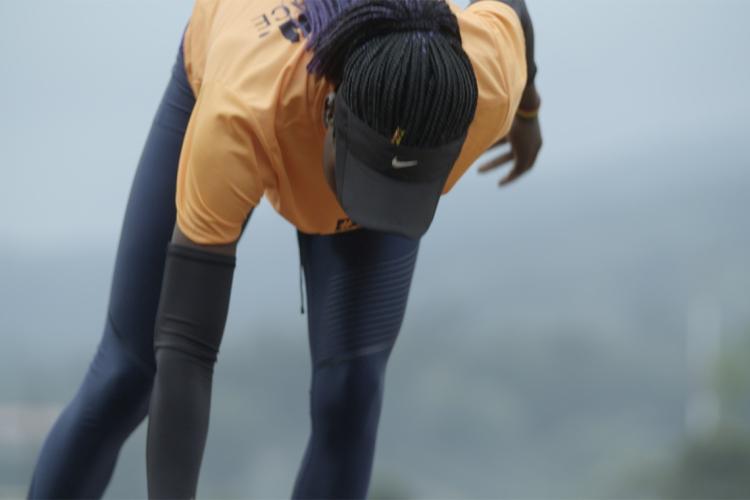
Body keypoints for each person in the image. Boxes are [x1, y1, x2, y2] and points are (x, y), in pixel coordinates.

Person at [26, 0, 542, 497]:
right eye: (366, 183)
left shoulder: (486, 82)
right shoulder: (241, 113)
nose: (366, 212)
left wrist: (527, 114)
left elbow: (511, 11)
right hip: (243, 67)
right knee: (129, 374)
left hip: (374, 109)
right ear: (335, 113)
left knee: (351, 393)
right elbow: (186, 348)